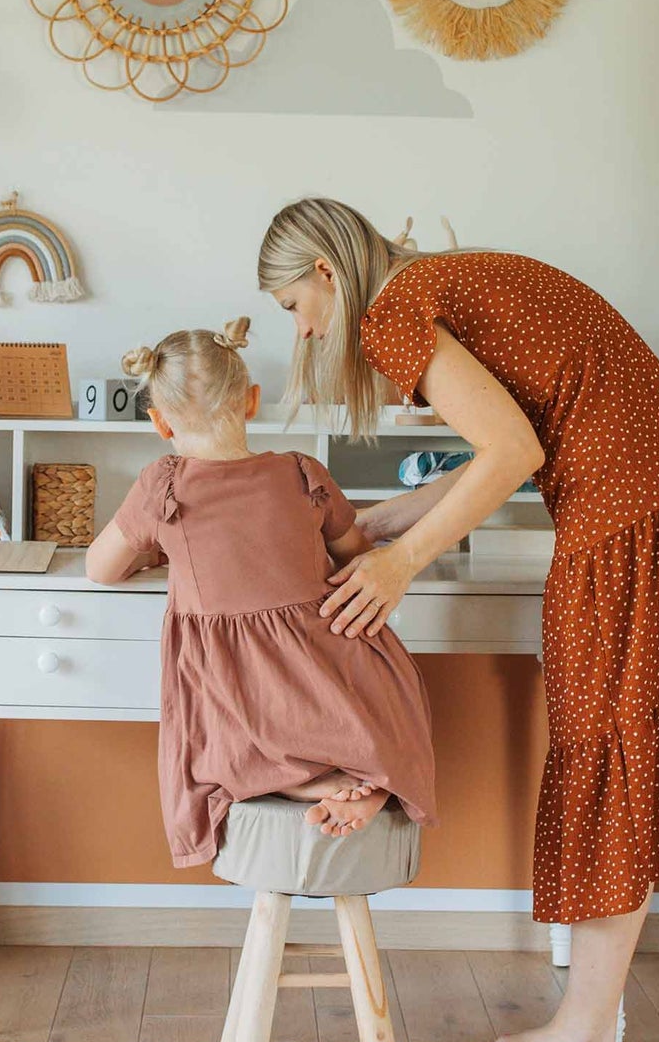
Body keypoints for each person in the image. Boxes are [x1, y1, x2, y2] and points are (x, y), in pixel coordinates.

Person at [258, 197, 659, 1042]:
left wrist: (401, 567)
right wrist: (385, 521)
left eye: (294, 310)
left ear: (324, 275)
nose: (303, 332)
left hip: (631, 526)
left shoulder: (394, 308)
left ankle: (584, 1035)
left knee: (609, 764)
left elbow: (507, 449)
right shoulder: (456, 277)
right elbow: (518, 440)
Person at [85, 317, 437, 870]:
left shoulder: (163, 485)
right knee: (379, 708)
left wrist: (157, 548)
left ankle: (309, 786)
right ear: (251, 401)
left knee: (223, 742)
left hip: (240, 682)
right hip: (326, 664)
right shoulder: (302, 471)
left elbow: (100, 569)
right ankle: (364, 777)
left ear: (159, 422)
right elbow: (351, 549)